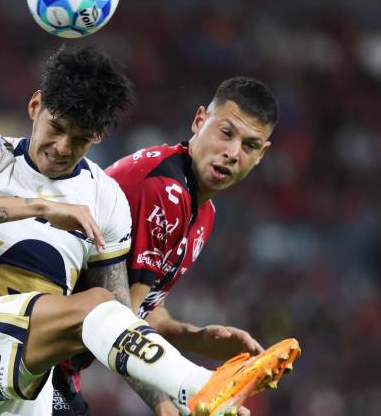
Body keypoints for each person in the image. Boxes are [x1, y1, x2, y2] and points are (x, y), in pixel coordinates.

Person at [0, 47, 299, 416]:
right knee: (95, 303)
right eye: (56, 127)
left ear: (98, 136)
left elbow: (121, 316)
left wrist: (164, 395)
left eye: (79, 138)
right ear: (35, 106)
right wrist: (39, 207)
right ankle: (200, 385)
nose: (62, 147)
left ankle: (198, 394)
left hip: (23, 383)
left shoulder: (105, 198)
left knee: (104, 307)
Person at [52, 77, 291, 416]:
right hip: (34, 347)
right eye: (226, 133)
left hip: (60, 363)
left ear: (261, 155)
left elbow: (145, 311)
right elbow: (119, 323)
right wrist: (165, 403)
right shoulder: (165, 191)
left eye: (249, 145)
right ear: (199, 121)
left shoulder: (203, 211)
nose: (233, 153)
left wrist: (198, 338)